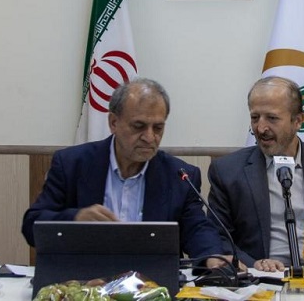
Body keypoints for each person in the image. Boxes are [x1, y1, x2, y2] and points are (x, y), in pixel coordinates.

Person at [21, 78, 228, 266]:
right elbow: (32, 225)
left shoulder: (180, 176)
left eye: (158, 128)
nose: (149, 137)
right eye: (139, 126)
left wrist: (212, 257)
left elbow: (197, 229)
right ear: (113, 123)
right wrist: (76, 219)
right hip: (83, 279)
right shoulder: (72, 164)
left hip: (152, 282)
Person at [207, 76, 304, 272]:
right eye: (255, 118)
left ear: (298, 121)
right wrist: (253, 263)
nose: (261, 128)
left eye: (272, 118)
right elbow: (218, 237)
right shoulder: (228, 171)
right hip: (262, 278)